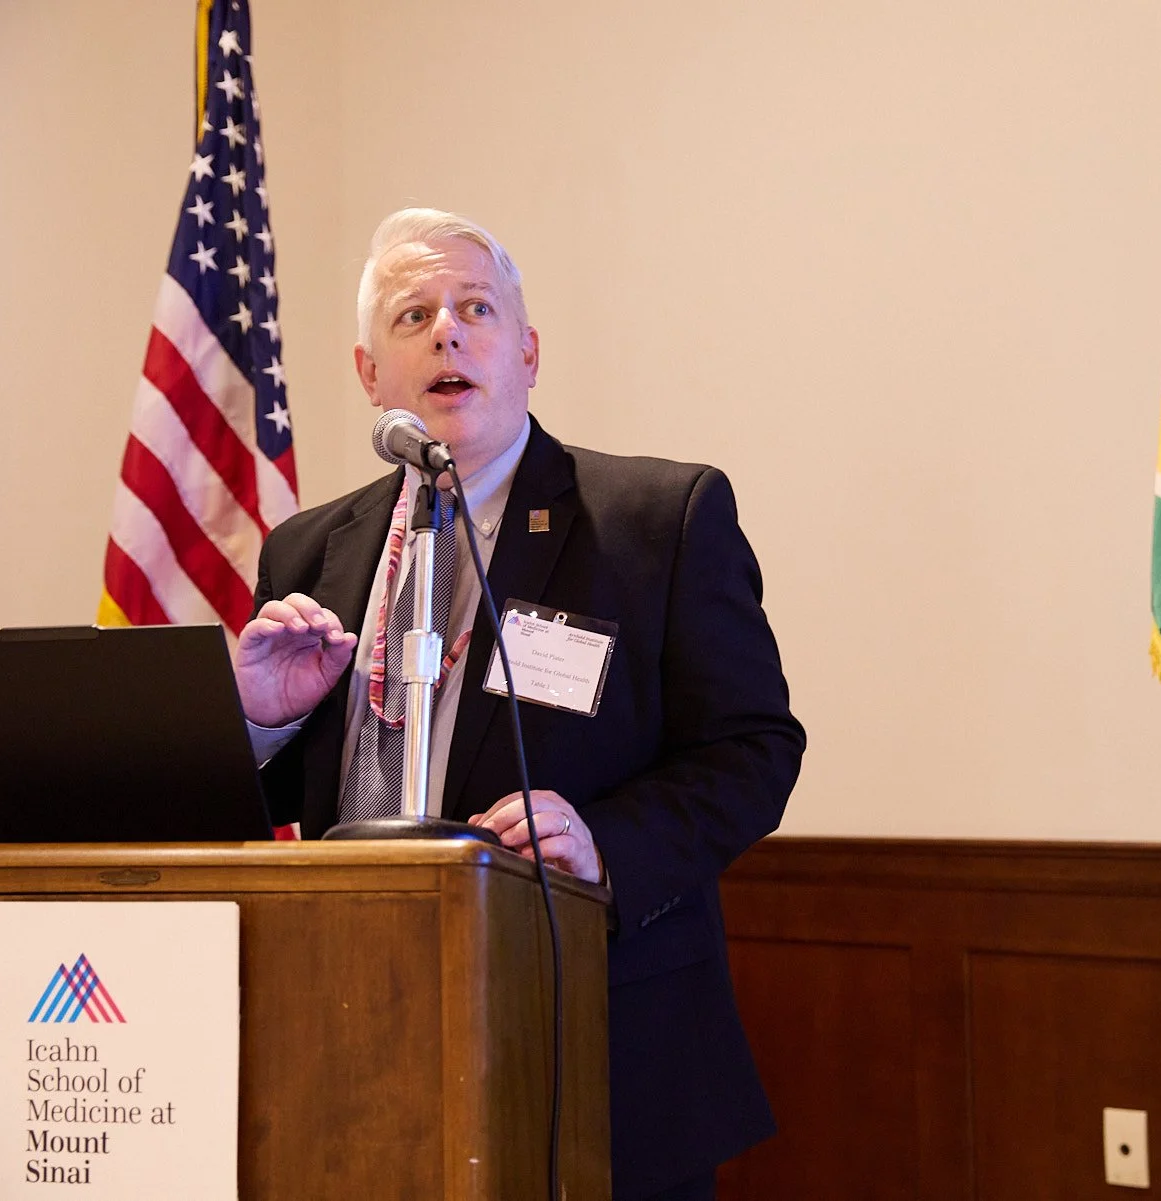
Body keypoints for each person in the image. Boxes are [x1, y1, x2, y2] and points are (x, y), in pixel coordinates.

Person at [232, 208, 805, 1201]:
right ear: (370, 376)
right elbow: (267, 793)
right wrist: (261, 720)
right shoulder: (307, 553)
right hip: (354, 1031)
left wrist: (605, 844)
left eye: (475, 309)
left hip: (594, 1038)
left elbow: (753, 748)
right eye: (412, 316)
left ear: (527, 352)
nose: (447, 332)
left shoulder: (652, 520)